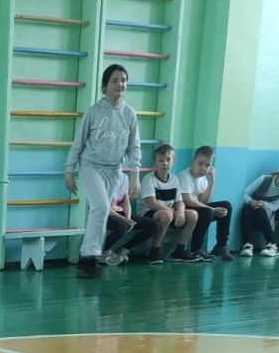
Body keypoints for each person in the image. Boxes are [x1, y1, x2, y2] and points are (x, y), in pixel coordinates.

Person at [64, 65, 141, 278]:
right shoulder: (93, 112)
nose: (120, 84)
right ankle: (90, 256)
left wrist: (134, 175)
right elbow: (78, 143)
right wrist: (69, 171)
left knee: (98, 211)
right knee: (100, 207)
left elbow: (134, 147)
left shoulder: (129, 114)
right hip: (90, 167)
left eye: (123, 80)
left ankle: (86, 256)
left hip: (114, 170)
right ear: (104, 86)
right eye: (115, 80)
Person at [136, 144, 199, 265]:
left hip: (169, 211)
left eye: (168, 159)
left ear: (173, 161)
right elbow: (152, 203)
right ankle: (154, 251)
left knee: (193, 214)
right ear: (155, 163)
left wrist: (180, 212)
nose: (165, 163)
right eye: (161, 160)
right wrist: (173, 212)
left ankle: (180, 251)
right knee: (166, 215)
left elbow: (180, 201)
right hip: (148, 213)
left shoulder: (174, 179)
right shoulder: (149, 179)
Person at [177, 145, 232, 261]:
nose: (203, 168)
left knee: (226, 205)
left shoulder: (203, 179)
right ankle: (196, 248)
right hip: (185, 209)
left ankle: (221, 245)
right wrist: (212, 210)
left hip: (199, 209)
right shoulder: (184, 176)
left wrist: (212, 180)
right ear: (192, 162)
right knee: (207, 211)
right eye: (200, 164)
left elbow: (204, 201)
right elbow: (187, 200)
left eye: (207, 165)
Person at [102, 170, 159, 265]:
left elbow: (126, 201)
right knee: (122, 226)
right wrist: (125, 220)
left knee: (153, 224)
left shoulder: (124, 178)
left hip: (121, 213)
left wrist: (128, 218)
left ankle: (125, 249)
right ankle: (102, 252)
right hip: (105, 214)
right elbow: (105, 207)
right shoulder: (102, 179)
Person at [240, 170, 279, 257]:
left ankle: (272, 244)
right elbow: (245, 193)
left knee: (260, 211)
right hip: (251, 209)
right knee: (247, 209)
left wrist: (263, 204)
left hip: (266, 214)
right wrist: (251, 201)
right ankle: (247, 244)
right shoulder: (264, 179)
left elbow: (274, 206)